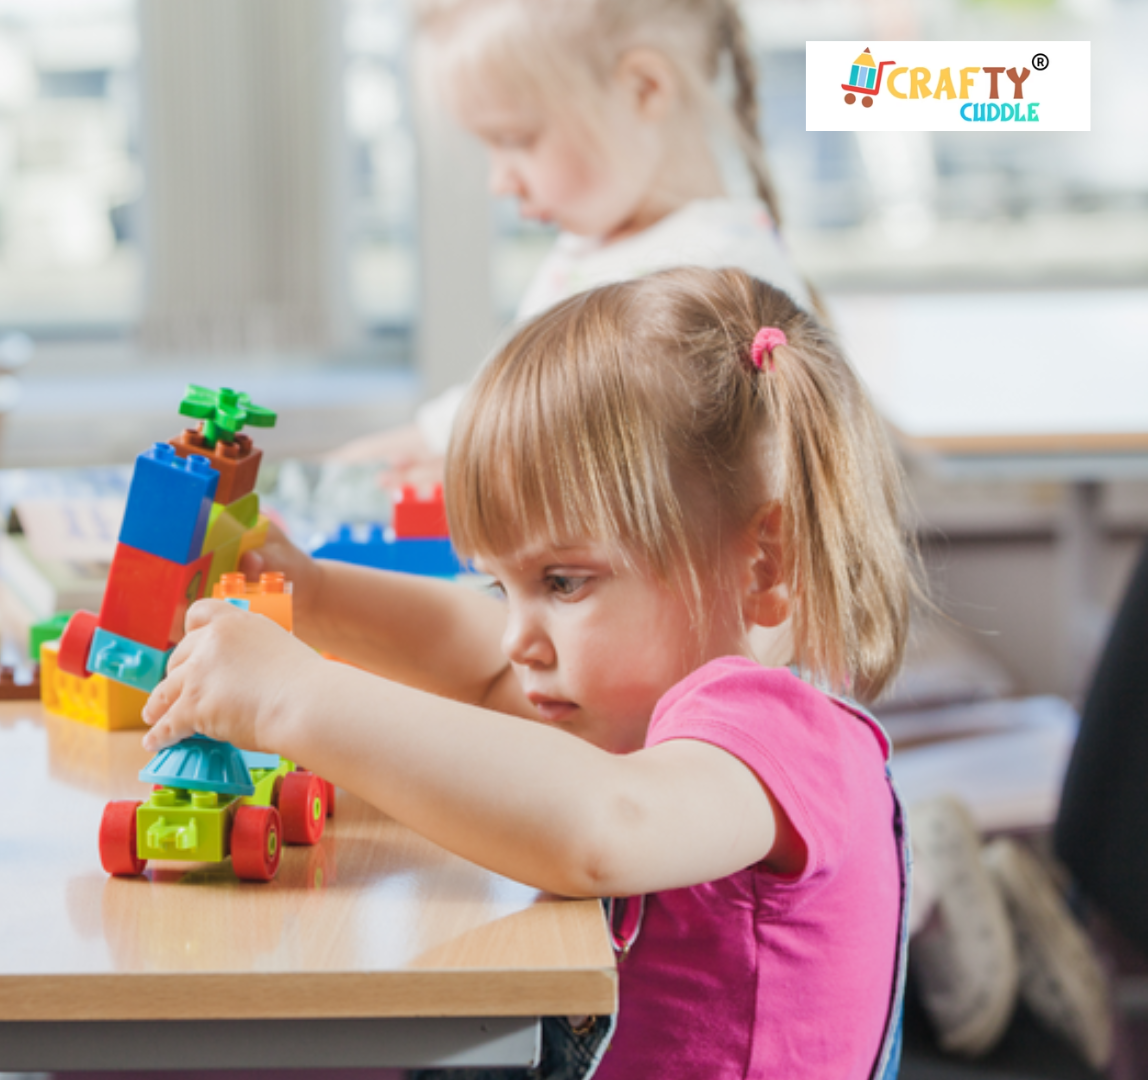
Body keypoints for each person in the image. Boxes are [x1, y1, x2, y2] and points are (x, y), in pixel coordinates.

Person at [145, 268, 916, 1078]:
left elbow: (601, 830)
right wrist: (316, 592)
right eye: (499, 583)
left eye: (563, 583)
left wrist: (289, 699)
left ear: (763, 564)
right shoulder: (640, 702)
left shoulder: (776, 733)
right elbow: (477, 659)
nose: (521, 637)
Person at [338, 0, 815, 488]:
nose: (499, 181)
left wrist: (482, 475)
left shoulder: (712, 278)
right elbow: (526, 403)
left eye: (515, 139)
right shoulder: (596, 245)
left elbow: (655, 481)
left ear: (643, 90)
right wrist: (414, 445)